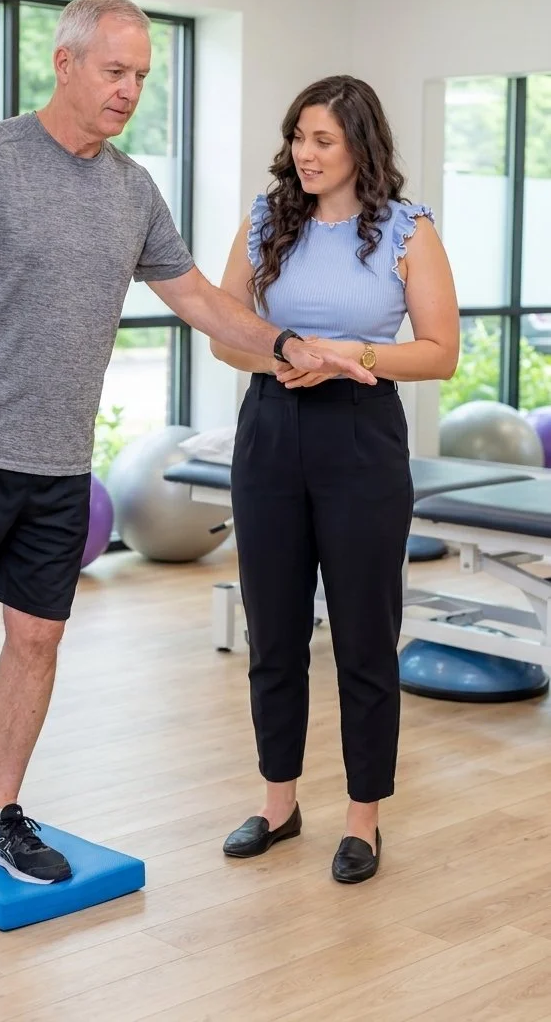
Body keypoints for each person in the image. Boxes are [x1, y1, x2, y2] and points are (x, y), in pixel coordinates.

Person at [0, 0, 374, 886]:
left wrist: (288, 345)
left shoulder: (133, 189)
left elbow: (201, 303)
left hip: (59, 462)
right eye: (115, 71)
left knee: (36, 639)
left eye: (141, 75)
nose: (130, 90)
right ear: (64, 66)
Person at [211, 75, 459, 884]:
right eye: (297, 138)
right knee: (273, 631)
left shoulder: (406, 230)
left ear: (359, 145)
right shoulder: (263, 220)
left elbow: (438, 351)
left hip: (361, 431)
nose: (304, 154)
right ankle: (277, 804)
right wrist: (289, 356)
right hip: (271, 428)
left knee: (361, 634)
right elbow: (224, 332)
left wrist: (345, 357)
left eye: (322, 139)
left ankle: (363, 819)